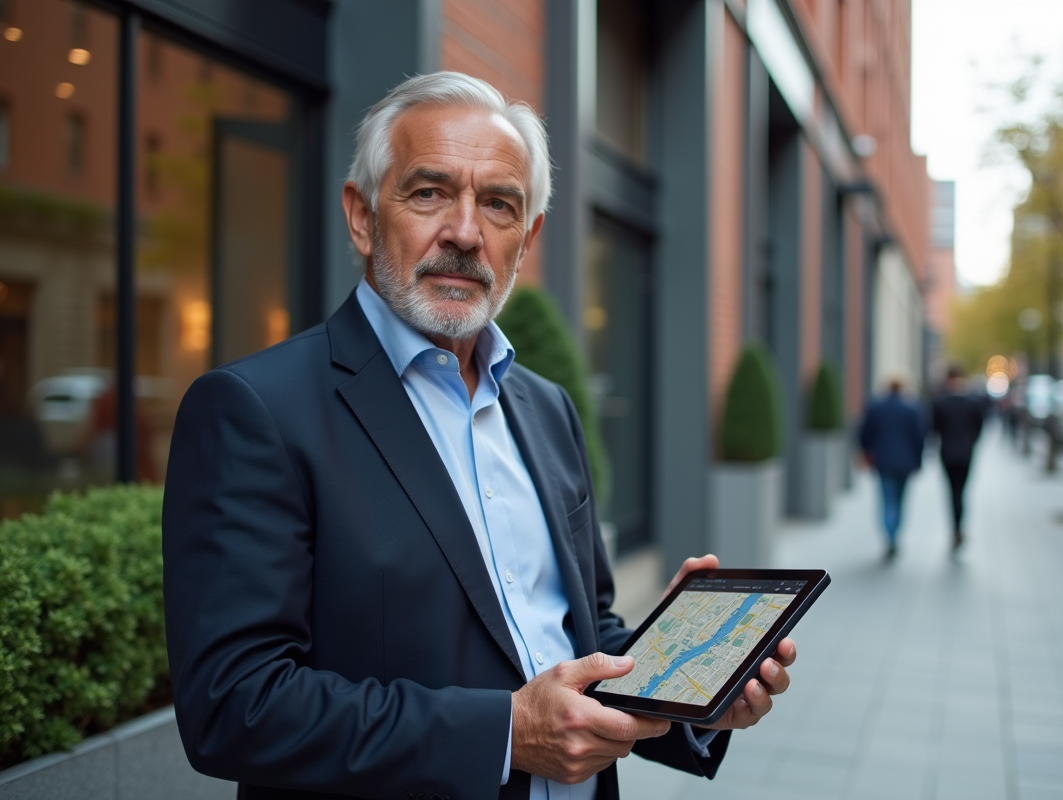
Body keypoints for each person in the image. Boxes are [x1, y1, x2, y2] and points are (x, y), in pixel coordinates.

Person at [161, 72, 796, 800]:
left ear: (525, 240)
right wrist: (505, 734)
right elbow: (235, 705)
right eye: (429, 192)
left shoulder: (547, 407)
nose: (465, 233)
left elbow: (575, 632)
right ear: (362, 216)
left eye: (498, 204)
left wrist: (689, 683)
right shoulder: (255, 410)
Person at [858, 375, 925, 558]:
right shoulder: (911, 408)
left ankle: (890, 536)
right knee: (900, 501)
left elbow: (864, 434)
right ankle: (895, 535)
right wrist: (919, 461)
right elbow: (919, 437)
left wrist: (866, 452)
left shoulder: (876, 406)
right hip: (906, 462)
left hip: (883, 460)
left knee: (887, 500)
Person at [931, 362, 984, 551]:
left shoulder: (940, 402)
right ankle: (958, 528)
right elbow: (979, 428)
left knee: (952, 492)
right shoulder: (972, 402)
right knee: (961, 492)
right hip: (966, 453)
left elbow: (934, 429)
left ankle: (955, 529)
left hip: (947, 453)